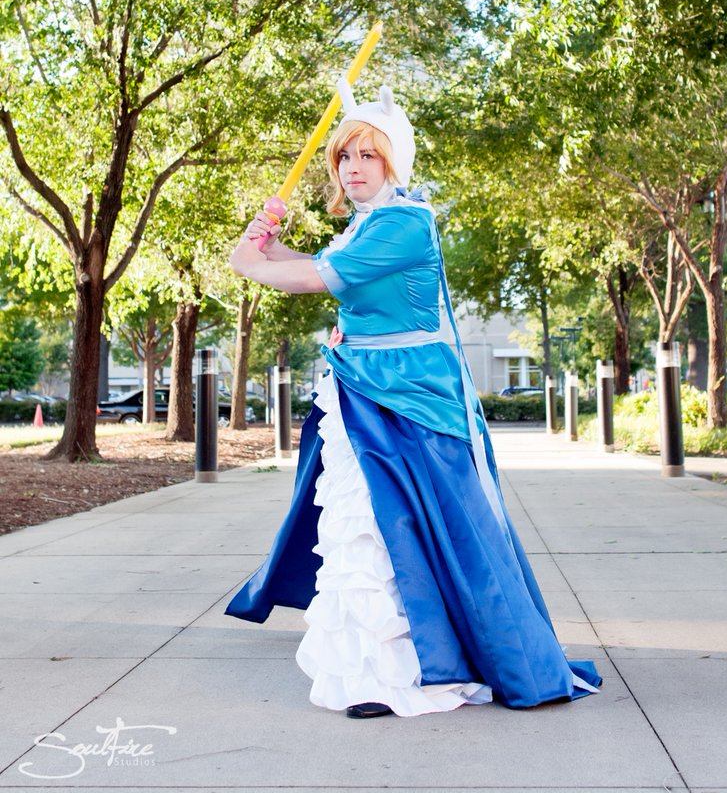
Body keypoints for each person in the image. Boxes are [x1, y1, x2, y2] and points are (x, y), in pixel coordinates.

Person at [225, 83, 601, 719]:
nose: (353, 167)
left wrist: (257, 260)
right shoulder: (364, 226)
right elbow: (303, 265)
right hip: (362, 389)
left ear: (394, 162)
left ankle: (433, 667)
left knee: (422, 534)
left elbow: (311, 277)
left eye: (369, 156)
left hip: (414, 396)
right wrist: (259, 241)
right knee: (364, 531)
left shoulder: (405, 222)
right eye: (345, 156)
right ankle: (377, 674)